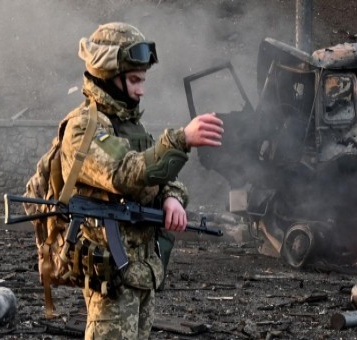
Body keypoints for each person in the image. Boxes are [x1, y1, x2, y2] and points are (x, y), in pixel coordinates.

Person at [62, 22, 223, 339]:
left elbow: (160, 174)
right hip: (109, 273)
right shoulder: (85, 127)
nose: (141, 89)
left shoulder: (130, 127)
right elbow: (124, 174)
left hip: (140, 270)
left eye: (143, 80)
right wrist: (179, 140)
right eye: (134, 80)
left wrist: (172, 197)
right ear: (109, 74)